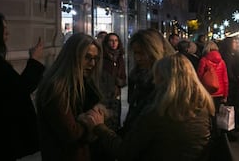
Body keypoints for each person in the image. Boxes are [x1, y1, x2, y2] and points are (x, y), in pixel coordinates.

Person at [82, 53, 215, 161]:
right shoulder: (204, 109)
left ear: (163, 79)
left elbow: (124, 151)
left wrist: (100, 127)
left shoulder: (158, 112)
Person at [35, 33, 105, 161]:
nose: (92, 63)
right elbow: (71, 132)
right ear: (73, 56)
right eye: (87, 57)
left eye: (96, 58)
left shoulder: (84, 84)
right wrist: (91, 122)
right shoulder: (57, 87)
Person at [0, 13, 45, 160]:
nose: (7, 32)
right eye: (3, 28)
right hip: (0, 136)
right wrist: (35, 60)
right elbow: (20, 89)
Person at [123, 29, 175, 133]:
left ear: (154, 51)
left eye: (142, 53)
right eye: (135, 53)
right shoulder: (138, 76)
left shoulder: (167, 80)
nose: (137, 58)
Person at [100, 32, 127, 131]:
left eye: (116, 41)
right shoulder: (102, 57)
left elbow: (124, 77)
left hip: (116, 95)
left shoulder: (120, 58)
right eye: (111, 41)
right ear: (106, 42)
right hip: (104, 95)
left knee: (115, 121)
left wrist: (119, 82)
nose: (114, 43)